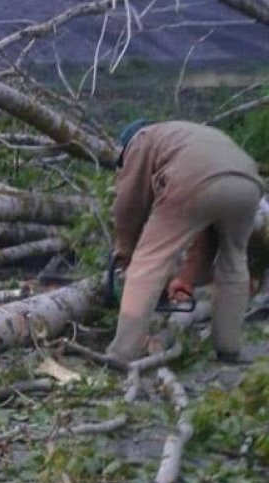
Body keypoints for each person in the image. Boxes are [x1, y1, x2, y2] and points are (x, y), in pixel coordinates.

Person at [107, 119, 262, 365]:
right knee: (234, 262)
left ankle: (122, 353)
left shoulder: (140, 139)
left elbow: (129, 204)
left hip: (195, 178)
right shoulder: (184, 136)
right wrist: (187, 279)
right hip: (248, 183)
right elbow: (207, 234)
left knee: (149, 260)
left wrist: (125, 250)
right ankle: (229, 349)